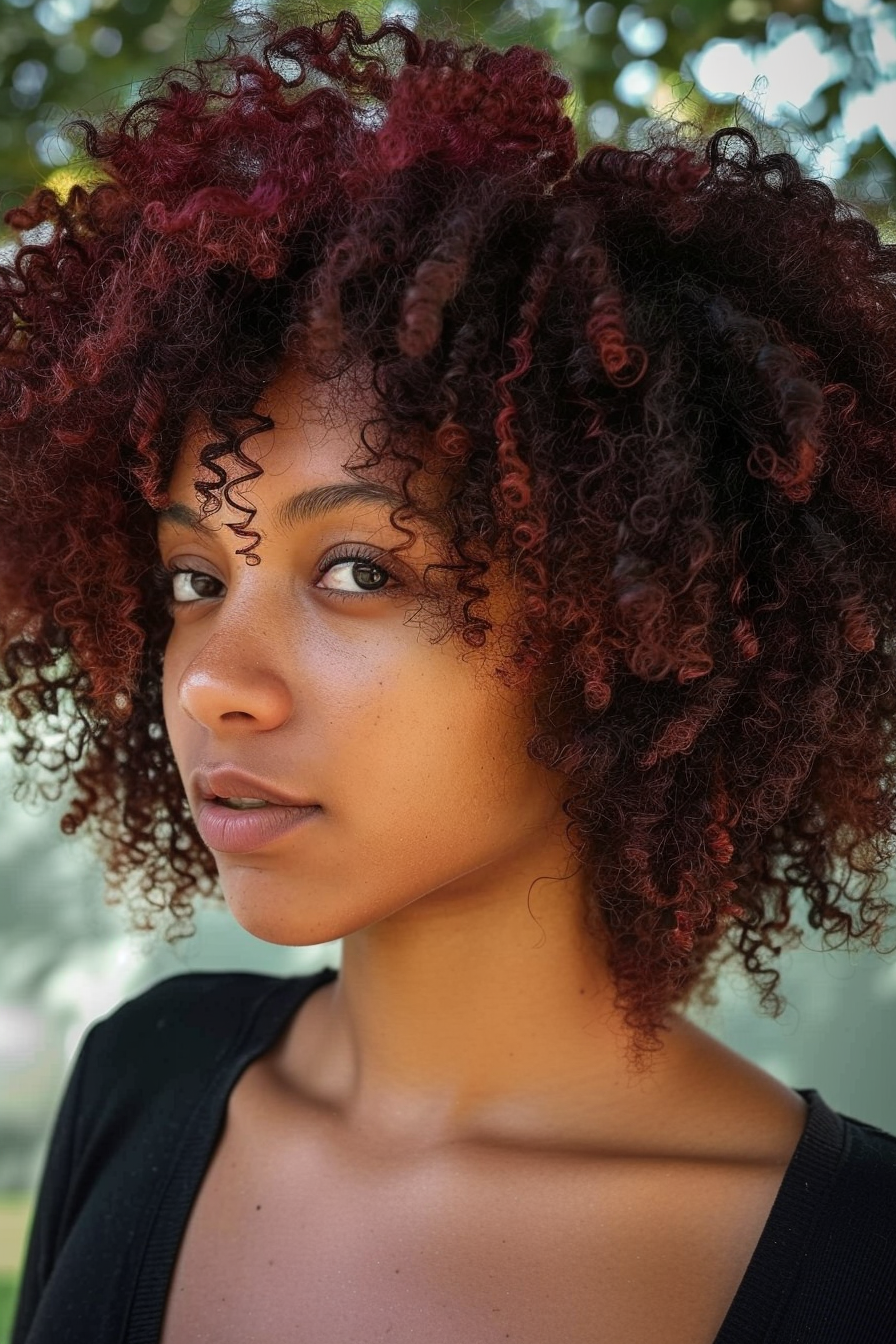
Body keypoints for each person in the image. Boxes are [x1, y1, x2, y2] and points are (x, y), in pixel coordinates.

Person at [3, 4, 896, 1341]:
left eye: (360, 569)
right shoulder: (144, 1075)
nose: (209, 684)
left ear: (629, 629)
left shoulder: (858, 1268)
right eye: (195, 580)